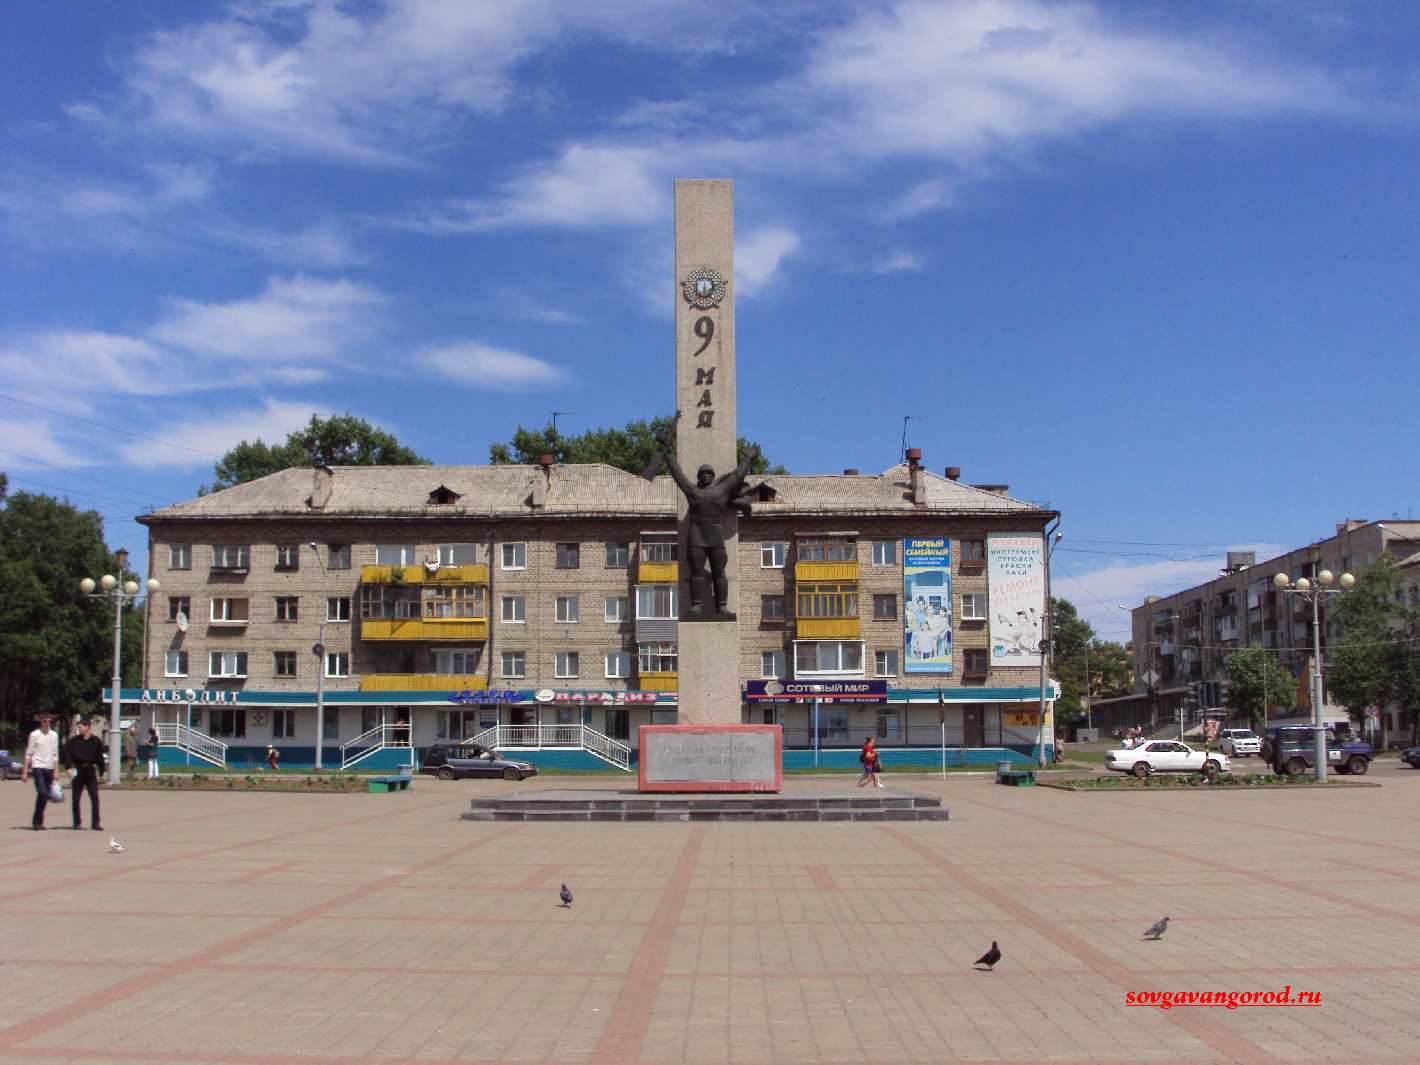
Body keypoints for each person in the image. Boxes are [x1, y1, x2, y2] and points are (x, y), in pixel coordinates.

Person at [21, 713, 60, 830]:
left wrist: (56, 770)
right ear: (41, 722)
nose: (47, 724)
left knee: (45, 795)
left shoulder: (54, 735)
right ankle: (36, 821)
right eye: (45, 721)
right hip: (38, 767)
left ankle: (38, 822)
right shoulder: (34, 735)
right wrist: (25, 771)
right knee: (42, 792)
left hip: (49, 768)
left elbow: (55, 754)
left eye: (49, 722)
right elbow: (29, 753)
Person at [65, 717, 104, 830]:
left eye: (81, 727)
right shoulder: (74, 741)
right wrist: (68, 768)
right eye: (79, 727)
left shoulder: (96, 741)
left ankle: (95, 823)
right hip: (78, 771)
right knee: (76, 798)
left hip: (90, 771)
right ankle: (77, 822)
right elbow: (69, 755)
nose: (79, 729)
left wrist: (101, 772)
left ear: (87, 727)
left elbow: (100, 758)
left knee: (95, 798)